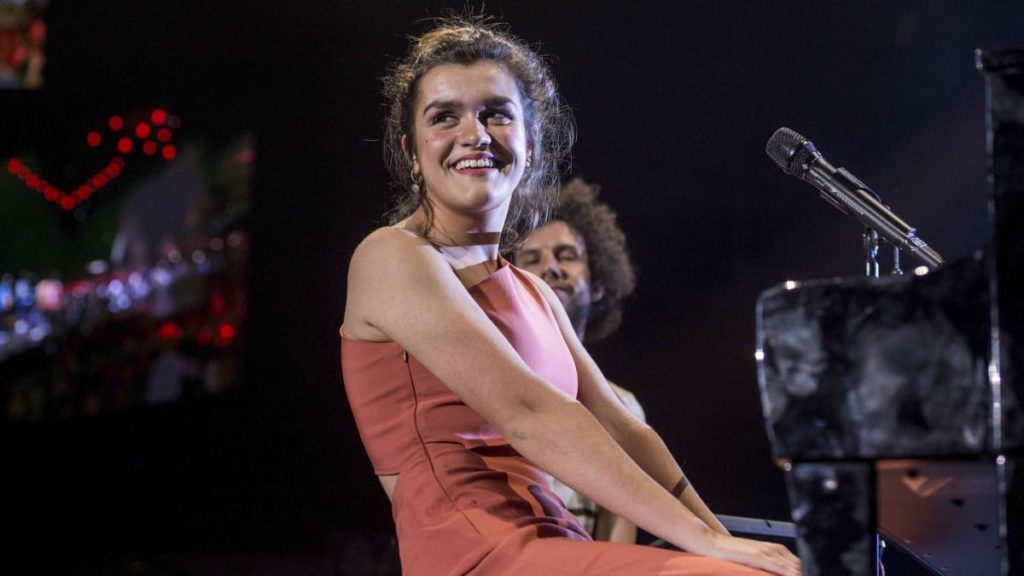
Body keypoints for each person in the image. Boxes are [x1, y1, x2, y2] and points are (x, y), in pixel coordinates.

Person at [340, 16, 800, 576]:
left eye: (496, 113)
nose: (474, 133)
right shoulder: (393, 256)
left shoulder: (533, 291)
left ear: (530, 144)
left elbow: (623, 429)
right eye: (444, 117)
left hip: (558, 543)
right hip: (477, 555)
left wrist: (722, 541)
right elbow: (527, 413)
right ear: (412, 152)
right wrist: (706, 545)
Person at [512, 177, 645, 544]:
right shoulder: (484, 385)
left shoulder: (624, 408)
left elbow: (617, 545)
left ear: (598, 283)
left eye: (567, 255)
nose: (550, 268)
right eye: (532, 259)